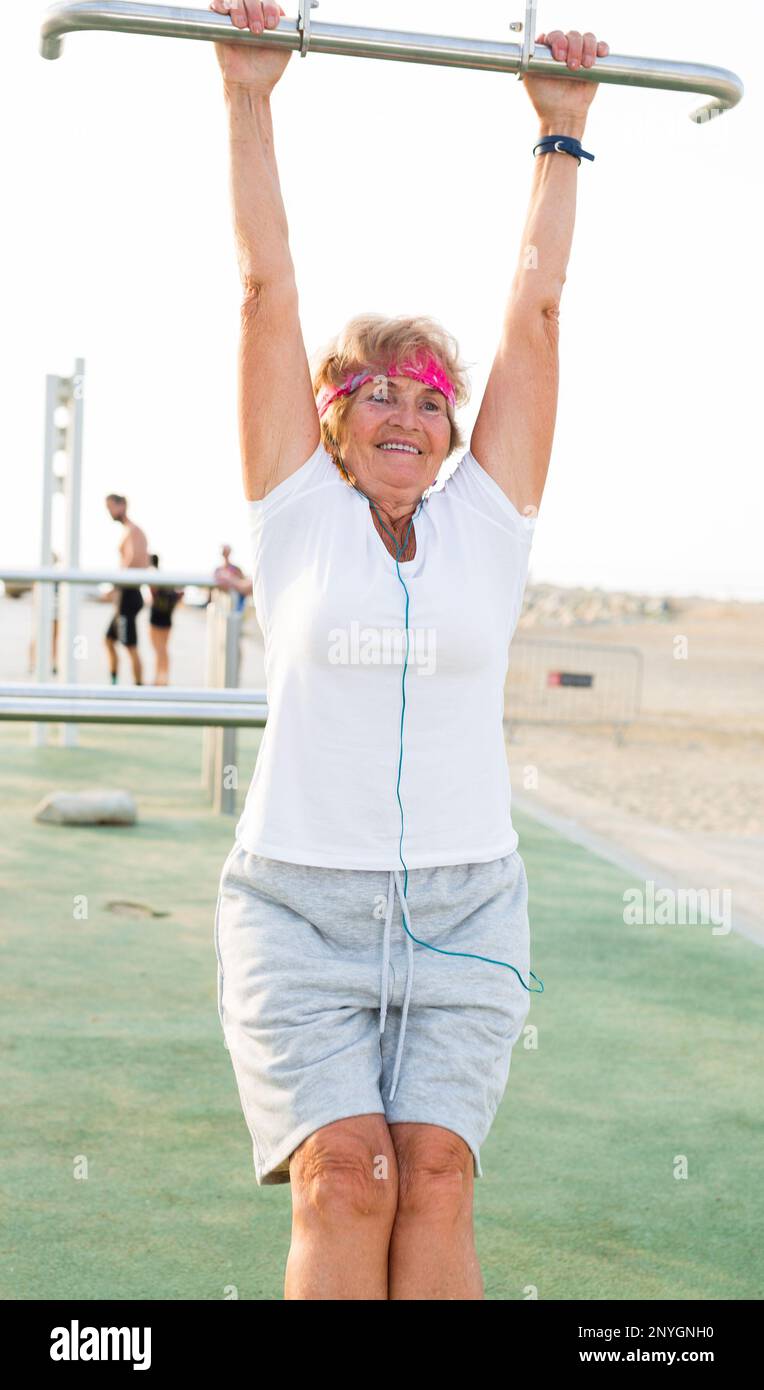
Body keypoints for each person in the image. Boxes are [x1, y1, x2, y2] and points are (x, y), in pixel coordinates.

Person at [209, 0, 608, 1300]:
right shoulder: (294, 512)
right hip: (297, 907)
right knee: (349, 1172)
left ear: (451, 429)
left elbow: (535, 315)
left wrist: (560, 135)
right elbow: (269, 283)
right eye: (371, 387)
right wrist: (251, 94)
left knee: (434, 1169)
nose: (402, 405)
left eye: (427, 392)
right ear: (330, 422)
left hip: (465, 905)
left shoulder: (487, 522)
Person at [101, 494, 150, 684]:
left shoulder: (133, 530)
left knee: (130, 646)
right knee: (108, 639)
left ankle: (139, 690)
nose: (109, 512)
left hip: (129, 594)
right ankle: (114, 684)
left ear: (122, 505)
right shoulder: (128, 531)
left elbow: (135, 559)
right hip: (123, 594)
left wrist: (116, 585)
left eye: (111, 507)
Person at [147, 554, 184, 686]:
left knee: (159, 650)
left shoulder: (152, 576)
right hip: (167, 617)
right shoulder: (166, 578)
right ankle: (162, 678)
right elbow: (179, 594)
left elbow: (153, 592)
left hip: (156, 617)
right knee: (163, 650)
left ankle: (160, 679)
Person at [213, 543, 248, 612]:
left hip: (238, 596)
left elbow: (242, 579)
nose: (226, 554)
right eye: (224, 551)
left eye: (227, 551)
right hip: (226, 597)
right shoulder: (218, 570)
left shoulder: (236, 569)